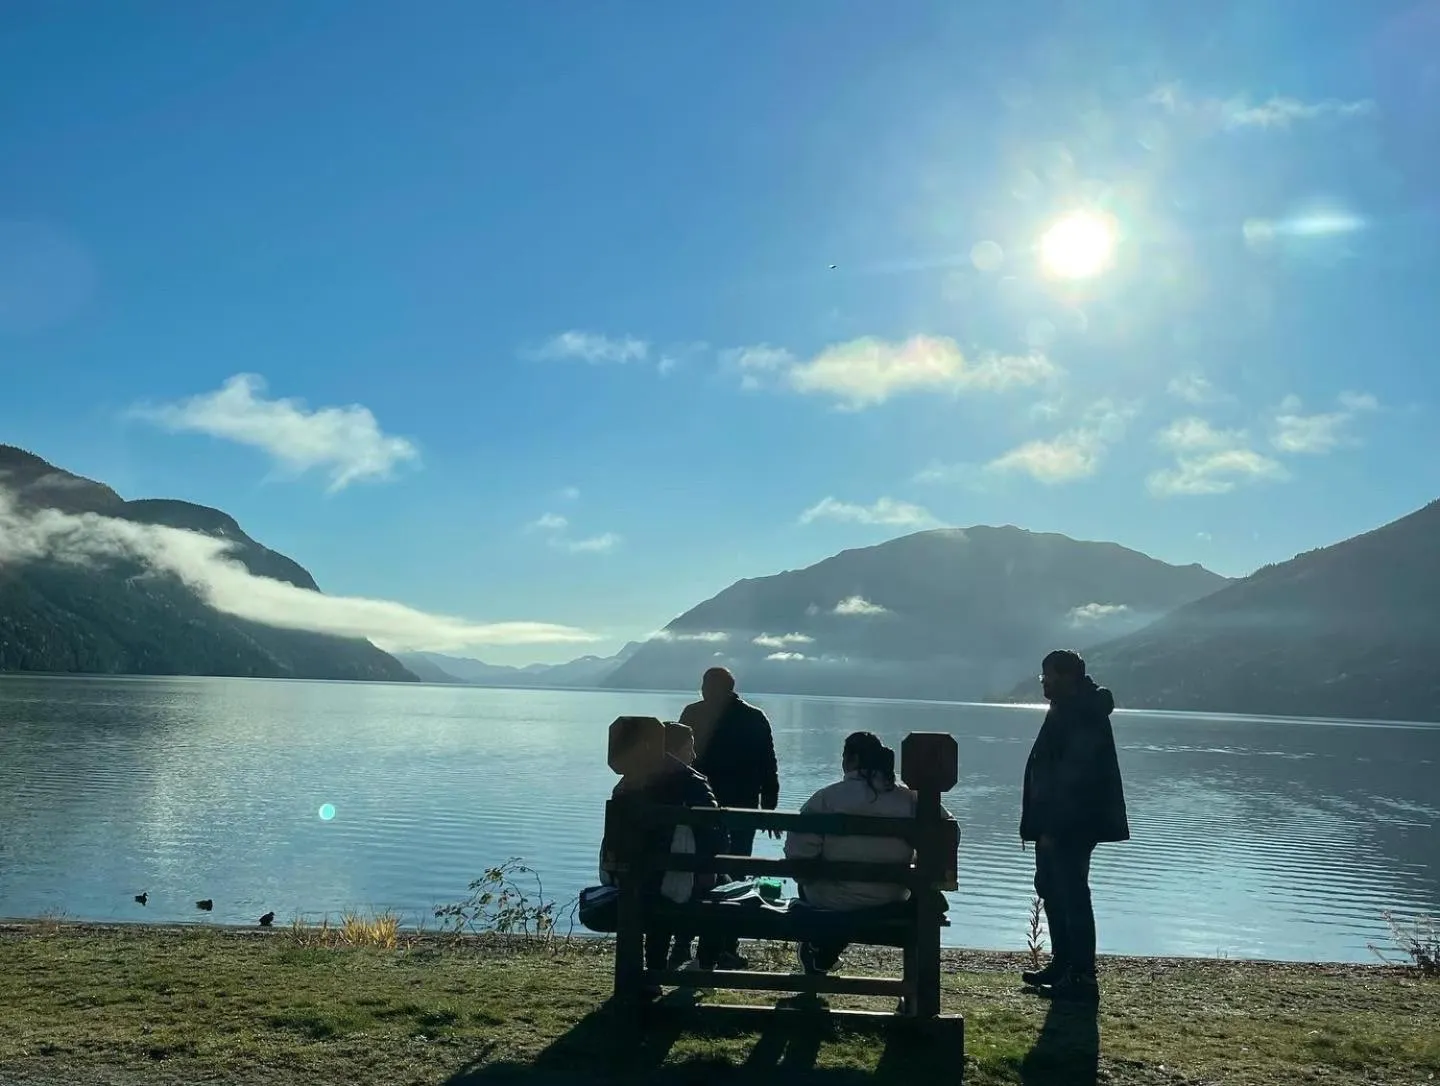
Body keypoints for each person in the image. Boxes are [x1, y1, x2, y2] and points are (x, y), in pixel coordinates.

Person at [1019, 649, 1130, 1001]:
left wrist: (1052, 826)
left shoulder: (1081, 713)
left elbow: (1074, 777)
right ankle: (1063, 963)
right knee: (1052, 889)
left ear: (1067, 677)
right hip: (1061, 820)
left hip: (1072, 822)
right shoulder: (1070, 708)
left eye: (1048, 676)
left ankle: (1081, 976)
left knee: (1072, 894)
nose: (1044, 683)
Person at [601, 719, 725, 997]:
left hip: (633, 881)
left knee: (656, 885)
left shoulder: (627, 784)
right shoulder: (692, 782)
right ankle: (703, 966)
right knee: (725, 888)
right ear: (673, 750)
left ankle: (653, 973)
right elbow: (716, 835)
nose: (693, 756)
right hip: (680, 882)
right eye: (689, 749)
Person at [784, 731, 916, 975]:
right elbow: (948, 834)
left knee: (811, 886)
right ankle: (822, 954)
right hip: (890, 899)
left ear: (852, 760)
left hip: (832, 902)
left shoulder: (827, 798)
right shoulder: (910, 800)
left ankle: (819, 951)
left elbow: (798, 855)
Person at [677, 666, 780, 970]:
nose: (702, 690)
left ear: (716, 687)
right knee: (734, 876)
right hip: (741, 811)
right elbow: (769, 768)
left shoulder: (694, 714)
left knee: (695, 872)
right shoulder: (754, 717)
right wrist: (768, 809)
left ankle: (690, 943)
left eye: (705, 685)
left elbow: (676, 762)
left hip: (702, 810)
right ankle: (722, 946)